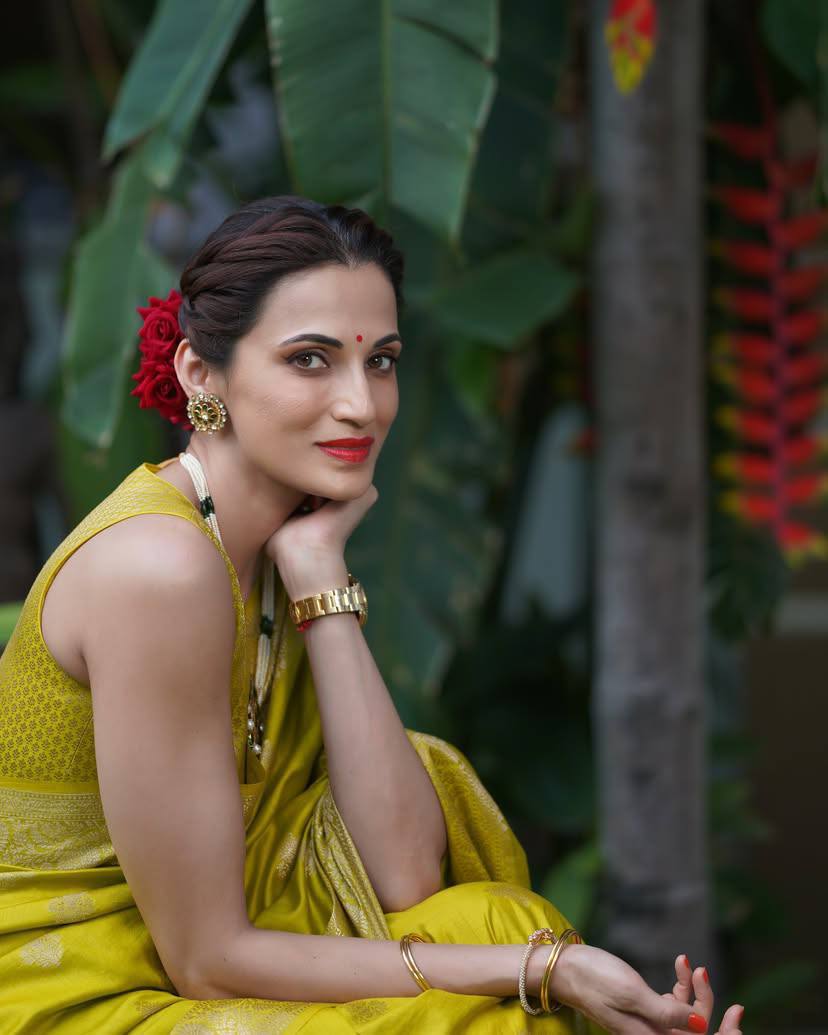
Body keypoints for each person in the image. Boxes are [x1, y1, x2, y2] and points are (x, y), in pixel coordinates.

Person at [0, 195, 745, 1033]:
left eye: (381, 360)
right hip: (77, 993)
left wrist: (319, 576)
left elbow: (403, 876)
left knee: (495, 920)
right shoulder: (159, 568)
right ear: (200, 374)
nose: (362, 403)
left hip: (197, 961)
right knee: (494, 1004)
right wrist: (547, 969)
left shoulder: (279, 543)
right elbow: (206, 959)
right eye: (310, 360)